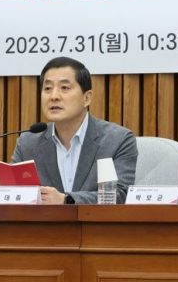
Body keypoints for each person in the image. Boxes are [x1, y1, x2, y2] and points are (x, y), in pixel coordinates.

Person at [12, 56, 138, 204]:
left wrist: (66, 200)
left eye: (64, 88)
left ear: (87, 98)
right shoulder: (27, 144)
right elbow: (14, 195)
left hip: (95, 220)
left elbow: (121, 195)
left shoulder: (118, 140)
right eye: (47, 88)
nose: (54, 96)